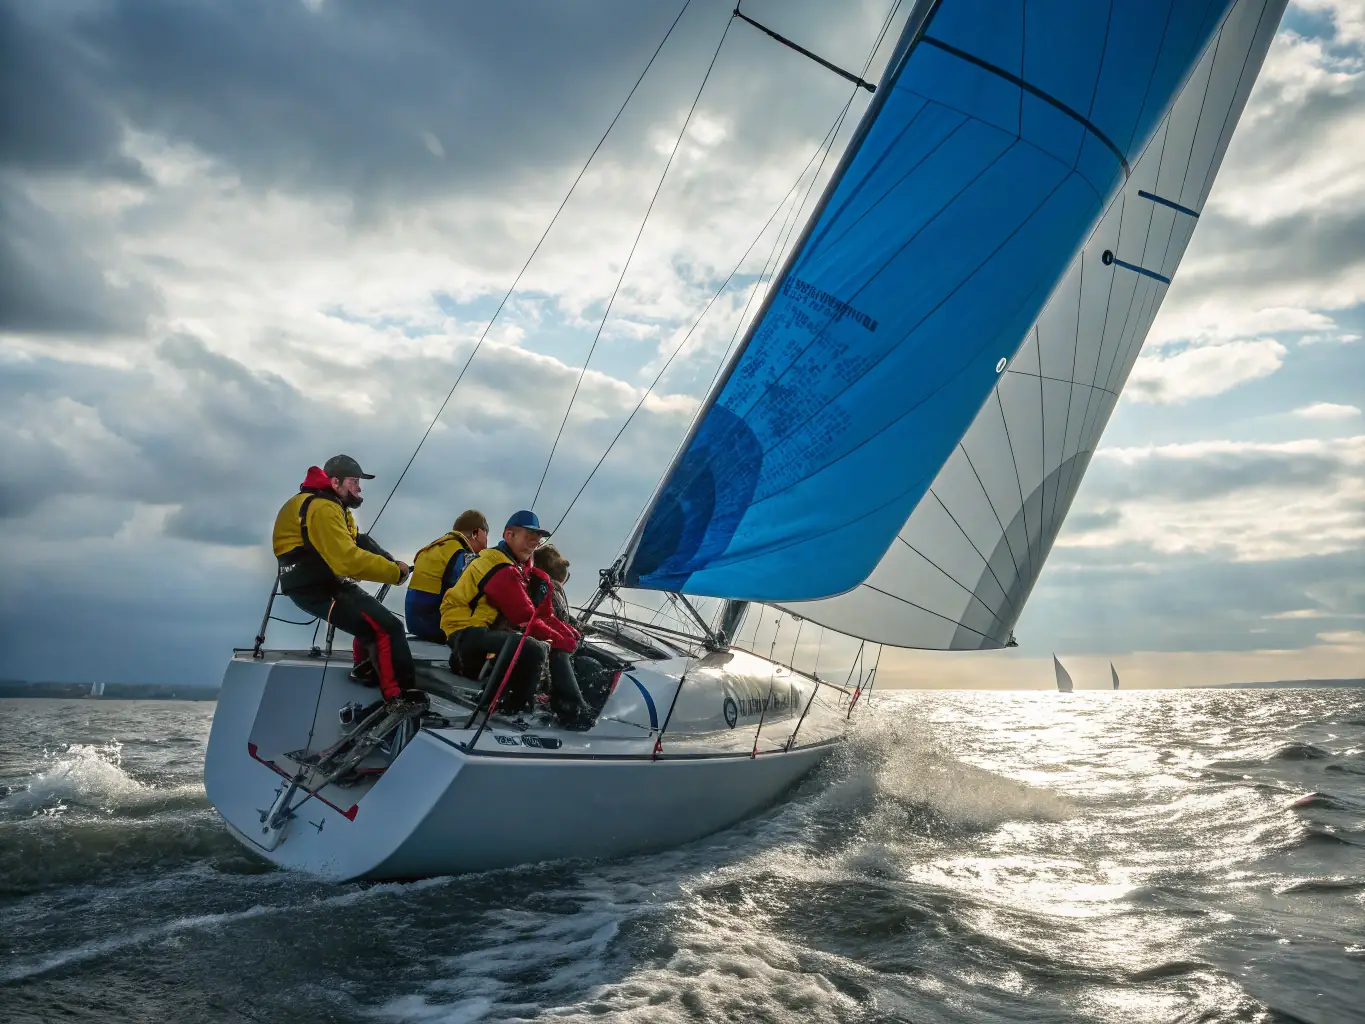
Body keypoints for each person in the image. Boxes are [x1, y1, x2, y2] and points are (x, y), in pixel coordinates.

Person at [272, 454, 416, 703]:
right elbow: (346, 560)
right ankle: (400, 699)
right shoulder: (323, 508)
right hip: (313, 586)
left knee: (372, 625)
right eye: (354, 481)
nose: (359, 488)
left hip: (320, 581)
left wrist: (392, 562)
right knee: (388, 627)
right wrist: (394, 573)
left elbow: (359, 540)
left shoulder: (333, 506)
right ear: (335, 482)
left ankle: (369, 671)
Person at [440, 511, 594, 729]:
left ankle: (566, 706)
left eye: (537, 538)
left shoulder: (520, 567)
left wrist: (569, 633)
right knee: (533, 648)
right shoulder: (498, 565)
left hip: (485, 632)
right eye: (528, 536)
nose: (533, 543)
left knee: (538, 644)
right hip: (464, 635)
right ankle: (514, 708)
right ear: (509, 535)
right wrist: (562, 642)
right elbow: (524, 617)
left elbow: (542, 614)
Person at [532, 544, 613, 714]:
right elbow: (557, 618)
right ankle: (577, 709)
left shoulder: (543, 584)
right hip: (551, 645)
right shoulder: (550, 587)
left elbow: (562, 619)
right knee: (590, 666)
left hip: (547, 642)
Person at [405, 510, 489, 642]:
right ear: (476, 533)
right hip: (436, 625)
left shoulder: (435, 548)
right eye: (486, 535)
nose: (487, 541)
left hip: (414, 623)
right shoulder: (461, 555)